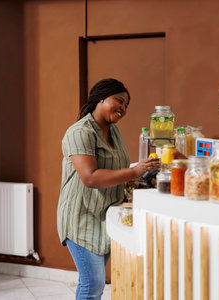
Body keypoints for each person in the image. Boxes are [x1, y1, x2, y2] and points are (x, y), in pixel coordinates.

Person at [57, 78, 160, 299]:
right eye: (119, 101)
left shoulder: (114, 132)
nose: (123, 108)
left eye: (126, 105)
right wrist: (135, 171)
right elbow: (90, 177)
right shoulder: (80, 132)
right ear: (100, 98)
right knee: (92, 284)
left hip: (104, 215)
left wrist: (143, 170)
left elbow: (117, 169)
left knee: (95, 283)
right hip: (81, 216)